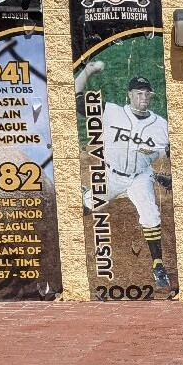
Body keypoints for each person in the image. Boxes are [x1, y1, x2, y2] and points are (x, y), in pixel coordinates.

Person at [75, 62, 172, 288]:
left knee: (150, 214)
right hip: (112, 175)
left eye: (147, 93)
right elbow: (76, 97)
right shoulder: (111, 112)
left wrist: (168, 177)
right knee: (90, 203)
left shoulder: (162, 126)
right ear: (129, 95)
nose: (143, 97)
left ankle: (158, 265)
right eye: (138, 93)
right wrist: (87, 71)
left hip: (141, 177)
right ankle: (82, 203)